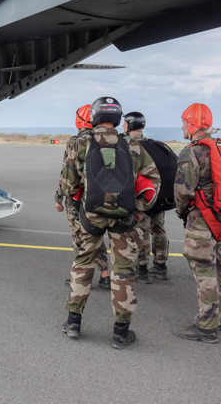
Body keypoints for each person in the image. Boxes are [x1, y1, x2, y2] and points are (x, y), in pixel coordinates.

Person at [61, 96, 160, 350]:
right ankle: (120, 331)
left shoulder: (79, 142)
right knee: (124, 271)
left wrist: (82, 202)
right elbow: (152, 183)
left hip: (90, 216)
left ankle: (73, 322)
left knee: (83, 264)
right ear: (118, 118)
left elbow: (68, 185)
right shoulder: (133, 145)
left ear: (94, 117)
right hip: (124, 218)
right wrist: (137, 209)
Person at [172, 103, 221, 343]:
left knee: (204, 272)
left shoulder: (193, 151)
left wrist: (181, 212)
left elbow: (182, 190)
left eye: (183, 122)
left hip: (202, 221)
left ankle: (207, 326)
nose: (181, 127)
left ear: (192, 125)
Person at [55, 104, 110, 289]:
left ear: (79, 120)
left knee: (80, 238)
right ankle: (105, 275)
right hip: (102, 198)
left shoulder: (76, 141)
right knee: (96, 235)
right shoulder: (105, 139)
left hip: (78, 200)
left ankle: (80, 279)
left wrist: (60, 197)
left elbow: (67, 175)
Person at [123, 111, 170, 284]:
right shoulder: (155, 145)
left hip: (141, 198)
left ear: (128, 125)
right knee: (159, 229)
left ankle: (141, 268)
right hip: (158, 197)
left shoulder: (130, 146)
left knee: (141, 231)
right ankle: (161, 265)